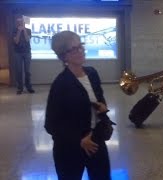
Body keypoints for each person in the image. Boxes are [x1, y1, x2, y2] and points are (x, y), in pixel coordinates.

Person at [44, 31, 111, 180]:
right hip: (70, 148)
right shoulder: (60, 84)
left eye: (80, 46)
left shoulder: (92, 73)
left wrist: (103, 109)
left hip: (96, 140)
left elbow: (100, 98)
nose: (80, 51)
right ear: (64, 56)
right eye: (74, 49)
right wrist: (79, 140)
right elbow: (51, 125)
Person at [13, 16, 35, 94]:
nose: (20, 23)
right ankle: (20, 88)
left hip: (27, 52)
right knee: (19, 71)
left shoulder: (28, 30)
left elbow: (27, 39)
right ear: (17, 23)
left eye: (21, 22)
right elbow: (16, 41)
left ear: (24, 23)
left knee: (27, 71)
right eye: (18, 22)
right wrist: (19, 31)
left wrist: (24, 30)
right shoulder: (14, 30)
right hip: (17, 53)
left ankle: (29, 87)